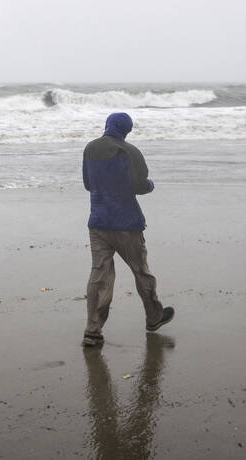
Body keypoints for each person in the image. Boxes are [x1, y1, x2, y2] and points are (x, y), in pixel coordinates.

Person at [82, 112, 174, 347]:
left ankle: (93, 331)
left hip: (98, 222)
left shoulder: (90, 149)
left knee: (99, 275)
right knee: (141, 271)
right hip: (126, 224)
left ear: (107, 125)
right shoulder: (130, 151)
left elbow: (88, 184)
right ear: (127, 130)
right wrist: (150, 185)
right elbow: (140, 186)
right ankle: (154, 318)